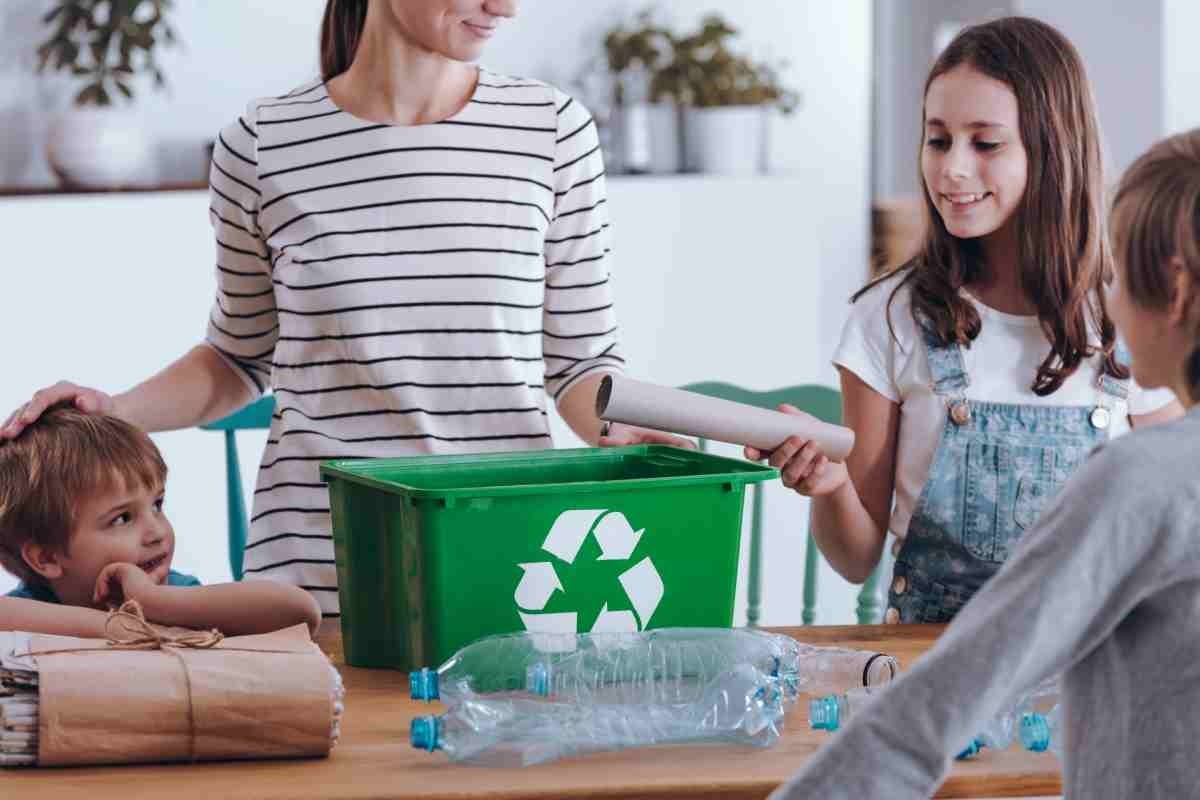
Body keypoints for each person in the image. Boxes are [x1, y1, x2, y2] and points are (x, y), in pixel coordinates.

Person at [1, 0, 682, 621]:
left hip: (505, 555)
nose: (503, 7)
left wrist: (626, 430)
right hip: (313, 575)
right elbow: (239, 356)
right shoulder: (262, 143)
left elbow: (581, 365)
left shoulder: (550, 131)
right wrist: (109, 414)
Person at [769, 127, 1200, 800]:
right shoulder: (892, 316)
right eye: (936, 139)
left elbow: (930, 715)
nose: (1109, 298)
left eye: (1122, 270)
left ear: (1172, 292)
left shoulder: (1140, 479)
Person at [748, 16, 1181, 623]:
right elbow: (853, 557)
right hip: (932, 673)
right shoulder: (890, 318)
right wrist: (829, 485)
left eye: (985, 143)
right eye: (937, 139)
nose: (951, 169)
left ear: (1053, 150)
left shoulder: (1124, 318)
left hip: (1085, 673)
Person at [0, 404, 322, 637]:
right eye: (122, 519)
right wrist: (127, 630)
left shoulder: (170, 595)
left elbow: (300, 611)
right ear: (46, 557)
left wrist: (155, 602)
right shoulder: (31, 608)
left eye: (157, 504)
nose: (156, 532)